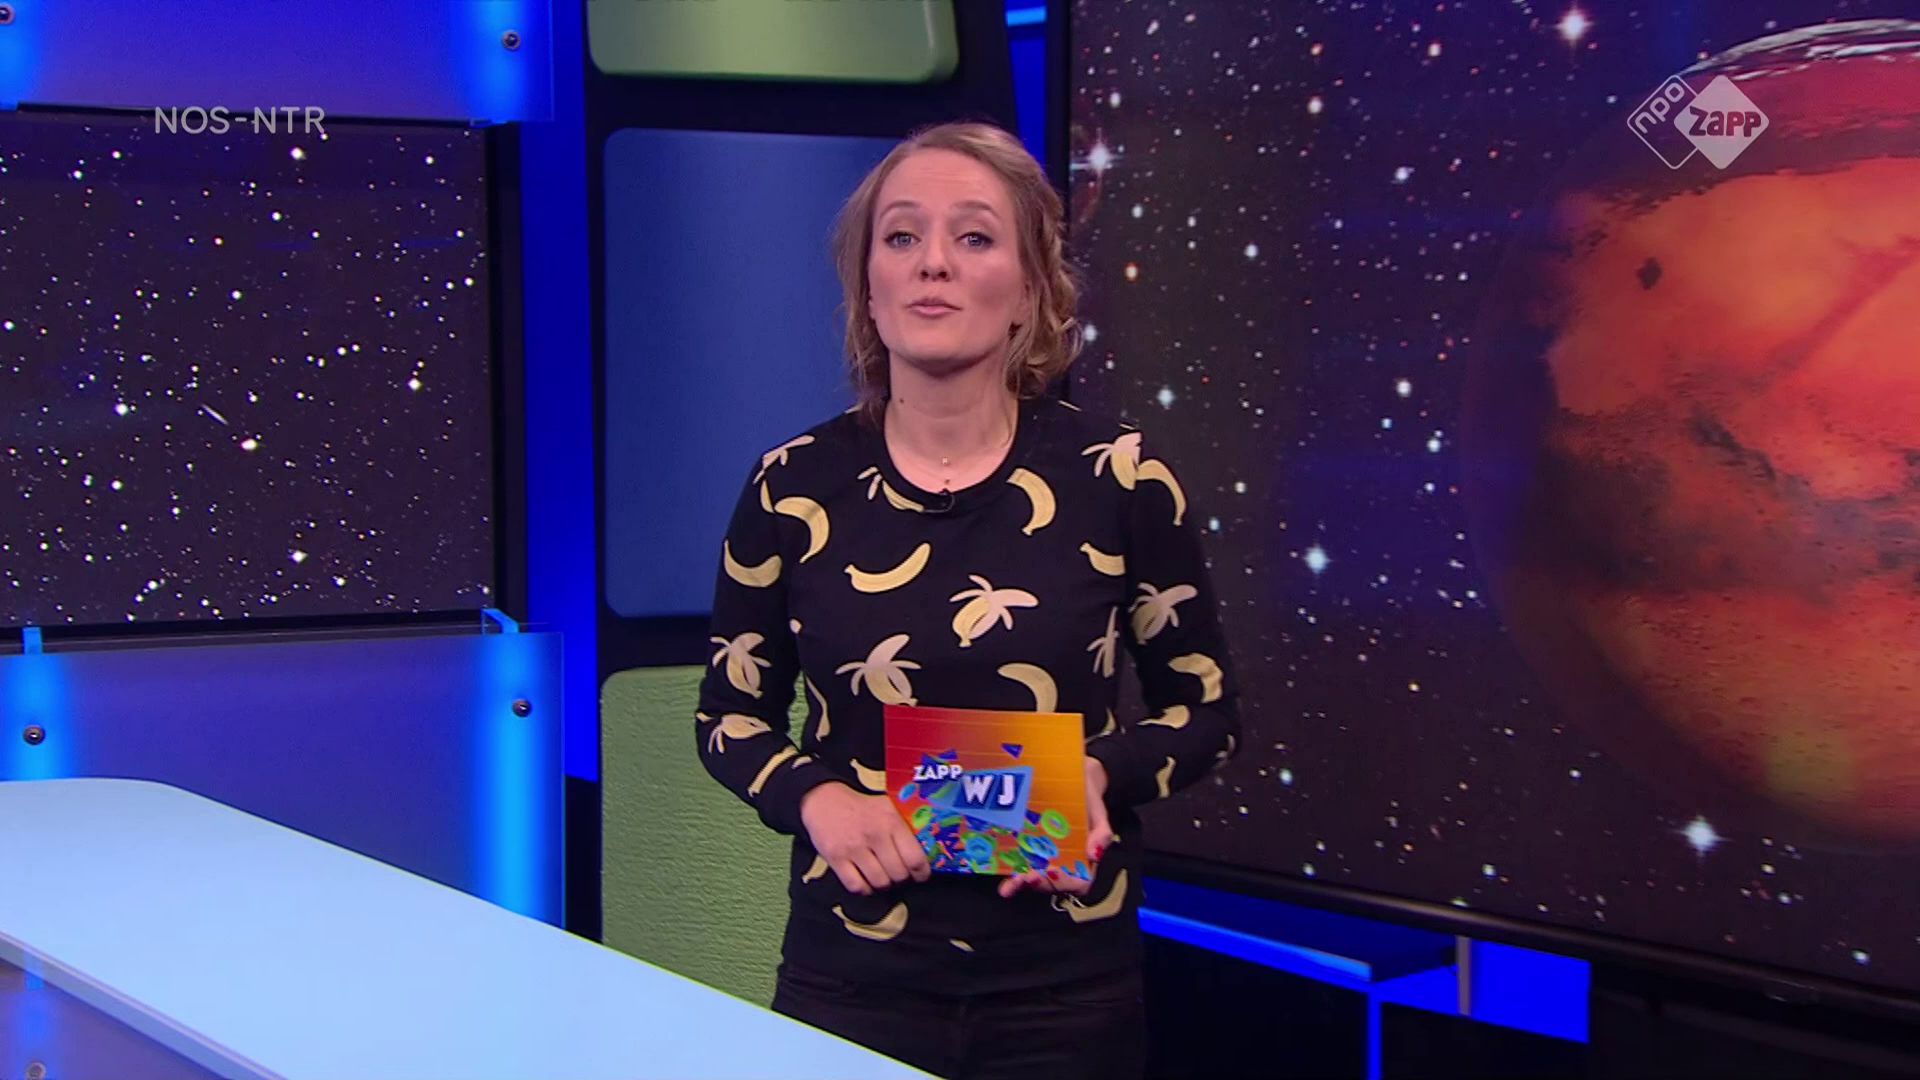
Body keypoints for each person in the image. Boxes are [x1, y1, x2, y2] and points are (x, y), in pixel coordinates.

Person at [694, 119, 1239, 1080]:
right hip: (849, 978)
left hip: (1065, 990)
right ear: (868, 284)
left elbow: (1206, 714)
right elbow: (728, 716)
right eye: (901, 236)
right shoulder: (791, 487)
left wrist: (1100, 774)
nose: (932, 263)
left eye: (975, 236)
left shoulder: (1120, 478)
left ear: (1030, 289)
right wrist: (817, 797)